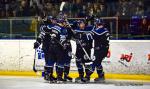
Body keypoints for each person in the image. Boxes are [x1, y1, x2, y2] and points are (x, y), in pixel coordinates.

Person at [83, 18, 110, 82]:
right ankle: (101, 77)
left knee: (94, 63)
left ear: (98, 23)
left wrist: (81, 37)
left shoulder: (99, 31)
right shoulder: (105, 30)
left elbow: (90, 36)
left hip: (100, 50)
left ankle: (87, 77)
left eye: (96, 23)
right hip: (103, 49)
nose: (95, 24)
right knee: (98, 63)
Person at [34, 16, 57, 82]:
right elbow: (41, 36)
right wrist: (37, 43)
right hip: (47, 47)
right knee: (49, 61)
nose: (54, 21)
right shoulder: (45, 27)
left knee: (52, 61)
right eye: (53, 20)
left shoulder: (53, 26)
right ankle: (48, 75)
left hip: (53, 47)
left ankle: (48, 74)